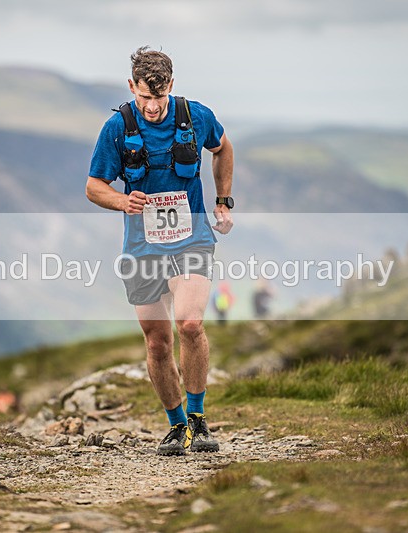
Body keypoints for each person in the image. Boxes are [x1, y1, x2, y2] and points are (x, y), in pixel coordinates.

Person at [86, 46, 234, 456]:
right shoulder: (116, 128)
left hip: (192, 239)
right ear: (131, 86)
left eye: (159, 96)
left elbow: (222, 148)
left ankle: (199, 419)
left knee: (189, 324)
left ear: (171, 85)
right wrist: (121, 201)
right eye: (144, 97)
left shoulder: (195, 115)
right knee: (157, 342)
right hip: (141, 247)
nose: (152, 106)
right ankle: (175, 424)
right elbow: (94, 187)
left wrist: (223, 201)